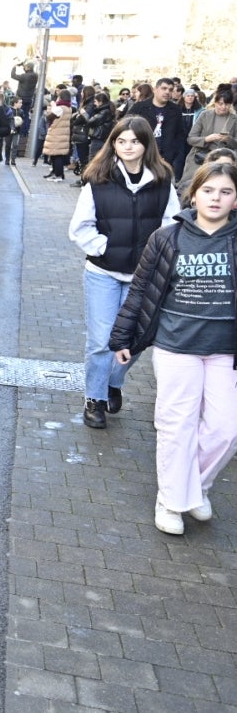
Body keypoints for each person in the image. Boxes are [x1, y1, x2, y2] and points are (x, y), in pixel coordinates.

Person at [110, 160, 237, 535]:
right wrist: (123, 338)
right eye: (209, 190)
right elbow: (141, 290)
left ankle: (195, 488)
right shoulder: (167, 238)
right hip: (176, 344)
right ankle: (170, 500)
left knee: (226, 430)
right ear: (193, 193)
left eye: (225, 191)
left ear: (236, 199)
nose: (216, 198)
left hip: (224, 351)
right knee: (176, 425)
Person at [68, 117, 179, 429]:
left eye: (135, 141)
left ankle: (113, 382)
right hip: (102, 273)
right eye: (121, 141)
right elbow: (79, 227)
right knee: (102, 340)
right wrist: (105, 247)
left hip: (143, 276)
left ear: (146, 144)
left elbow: (172, 223)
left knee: (135, 338)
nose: (128, 147)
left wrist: (156, 255)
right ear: (113, 144)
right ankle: (95, 398)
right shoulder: (98, 179)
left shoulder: (162, 180)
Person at [178, 87, 237, 197]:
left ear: (231, 104)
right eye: (220, 103)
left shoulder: (234, 119)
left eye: (227, 104)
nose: (223, 107)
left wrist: (228, 139)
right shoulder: (205, 115)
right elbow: (191, 138)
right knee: (191, 187)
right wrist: (206, 139)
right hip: (201, 157)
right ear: (215, 103)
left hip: (224, 159)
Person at [43, 93, 72, 182]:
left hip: (56, 134)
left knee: (56, 156)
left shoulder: (59, 108)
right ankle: (57, 173)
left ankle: (58, 175)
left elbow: (49, 117)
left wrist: (53, 106)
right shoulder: (68, 108)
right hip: (63, 134)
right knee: (56, 155)